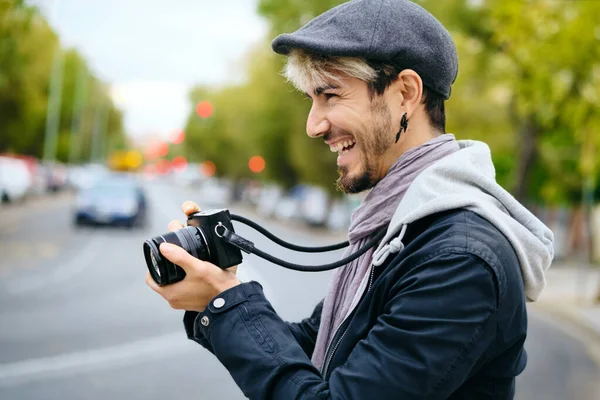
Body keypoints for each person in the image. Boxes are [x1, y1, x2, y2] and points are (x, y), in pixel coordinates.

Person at [146, 0, 554, 398]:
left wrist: (226, 304)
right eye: (312, 100)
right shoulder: (397, 228)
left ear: (405, 93)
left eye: (331, 95)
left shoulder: (458, 259)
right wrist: (216, 291)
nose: (313, 125)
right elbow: (313, 349)